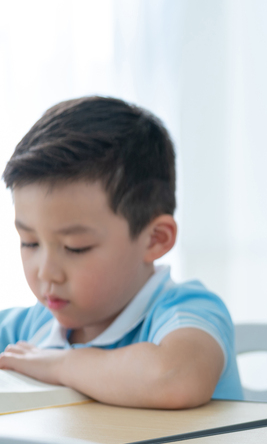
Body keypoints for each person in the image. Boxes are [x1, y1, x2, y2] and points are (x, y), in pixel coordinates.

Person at [0, 96, 242, 408]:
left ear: (155, 239)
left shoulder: (186, 311)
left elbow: (174, 378)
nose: (46, 272)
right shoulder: (33, 326)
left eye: (76, 247)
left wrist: (57, 364)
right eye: (30, 242)